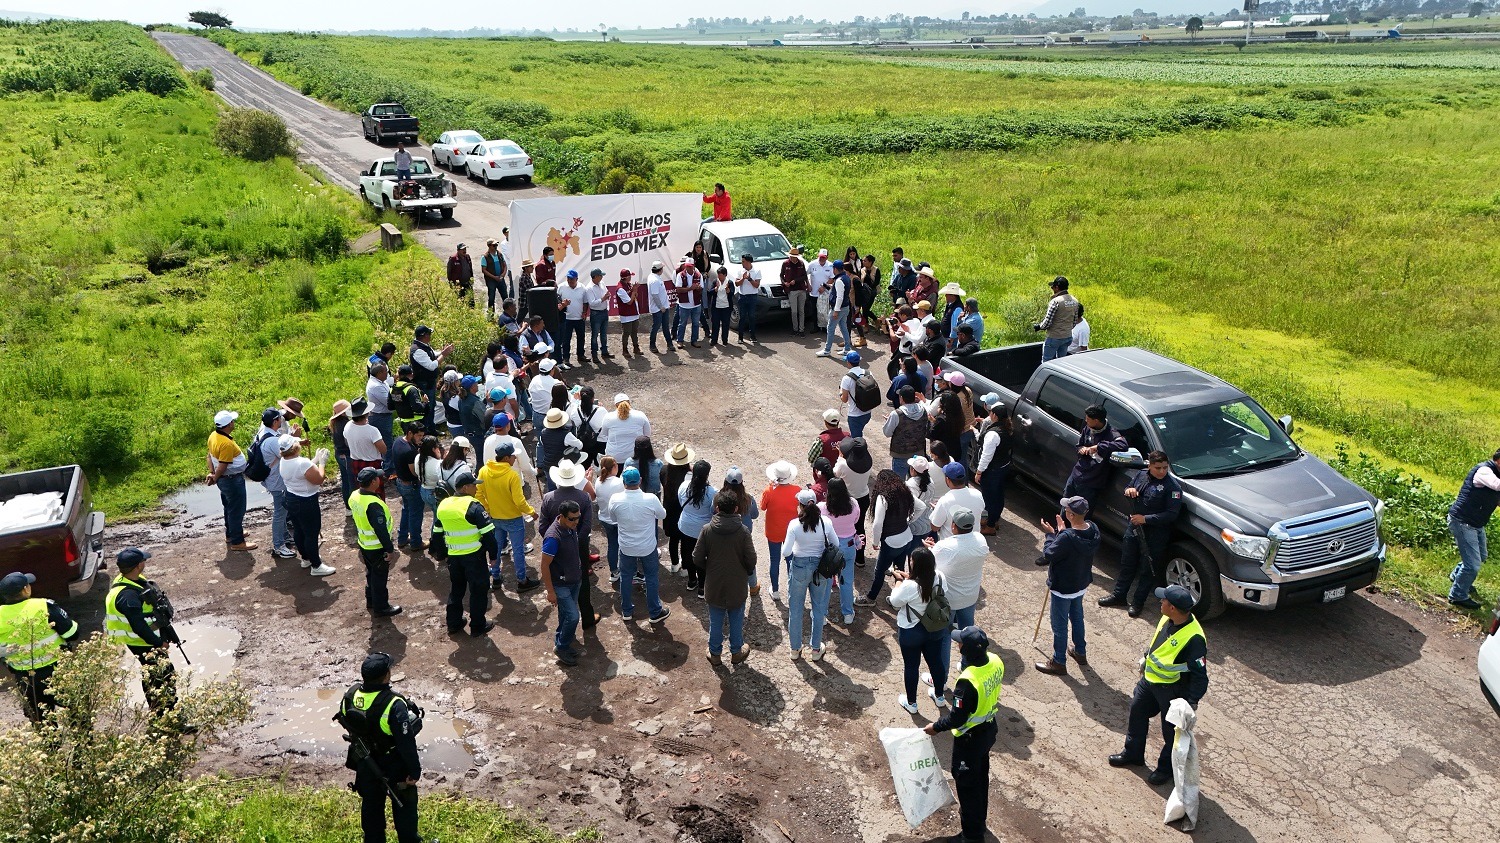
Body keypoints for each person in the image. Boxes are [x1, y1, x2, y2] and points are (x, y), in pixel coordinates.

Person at [1109, 584, 1208, 787]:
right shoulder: (1167, 618)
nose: (1160, 602)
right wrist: (1146, 658)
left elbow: (1200, 675)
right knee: (1137, 713)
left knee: (1171, 734)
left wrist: (1191, 702)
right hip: (1150, 683)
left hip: (1172, 690)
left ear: (1172, 608)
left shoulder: (1194, 638)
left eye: (1164, 600)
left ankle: (1165, 770)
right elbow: (1158, 644)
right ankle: (1133, 754)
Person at [925, 626, 1004, 843]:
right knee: (980, 779)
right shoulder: (996, 661)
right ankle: (980, 822)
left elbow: (957, 718)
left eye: (959, 641)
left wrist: (935, 727)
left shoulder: (967, 681)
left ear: (964, 650)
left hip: (970, 739)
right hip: (988, 730)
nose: (957, 642)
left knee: (968, 786)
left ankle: (972, 836)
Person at [337, 652, 423, 843]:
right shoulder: (394, 704)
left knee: (371, 808)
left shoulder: (350, 695)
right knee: (405, 808)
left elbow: (346, 721)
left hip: (366, 763)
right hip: (394, 765)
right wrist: (414, 772)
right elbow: (406, 743)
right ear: (386, 676)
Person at [1100, 451, 1184, 616]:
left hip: (1156, 534)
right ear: (1149, 466)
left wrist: (1146, 519)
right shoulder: (1142, 475)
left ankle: (1138, 603)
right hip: (1135, 529)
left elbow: (1171, 514)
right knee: (1127, 564)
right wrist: (1129, 490)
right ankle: (1119, 595)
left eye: (1165, 468)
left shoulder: (1172, 487)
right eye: (1157, 468)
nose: (1161, 471)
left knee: (1147, 570)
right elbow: (1129, 488)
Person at [104, 548, 181, 716]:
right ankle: (166, 715)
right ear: (139, 565)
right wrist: (159, 643)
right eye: (143, 561)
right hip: (143, 643)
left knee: (154, 675)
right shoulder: (128, 597)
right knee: (162, 677)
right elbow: (139, 627)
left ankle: (161, 711)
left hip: (144, 641)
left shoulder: (128, 580)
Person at [0, 571, 78, 722]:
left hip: (25, 678)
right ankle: (84, 744)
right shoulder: (44, 606)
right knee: (76, 712)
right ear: (25, 589)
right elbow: (72, 633)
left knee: (41, 721)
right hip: (56, 671)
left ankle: (50, 746)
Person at [1035, 496, 1100, 677]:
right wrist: (1062, 533)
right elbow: (1071, 543)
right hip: (1080, 583)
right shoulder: (1093, 529)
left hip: (1063, 587)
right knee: (1077, 616)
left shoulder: (1067, 537)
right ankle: (1080, 651)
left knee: (1059, 625)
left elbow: (1050, 553)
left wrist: (1050, 535)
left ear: (1070, 514)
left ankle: (1058, 661)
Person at [695, 490, 756, 666]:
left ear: (716, 508)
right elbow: (751, 559)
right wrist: (744, 570)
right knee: (736, 617)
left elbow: (697, 557)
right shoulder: (743, 531)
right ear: (736, 508)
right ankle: (736, 651)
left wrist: (710, 568)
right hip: (737, 582)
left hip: (714, 582)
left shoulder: (707, 530)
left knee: (715, 619)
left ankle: (715, 653)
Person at [435, 471, 499, 636]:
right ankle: (478, 625)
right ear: (465, 487)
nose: (476, 488)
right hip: (474, 558)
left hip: (454, 558)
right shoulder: (474, 506)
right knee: (478, 591)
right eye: (474, 485)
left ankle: (453, 623)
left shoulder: (444, 505)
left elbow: (436, 533)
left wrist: (441, 554)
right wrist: (493, 556)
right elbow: (489, 535)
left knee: (457, 589)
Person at [927, 508, 986, 683]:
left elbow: (933, 566)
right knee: (968, 634)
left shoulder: (945, 546)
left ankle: (941, 679)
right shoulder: (981, 541)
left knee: (944, 639)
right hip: (970, 597)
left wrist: (932, 549)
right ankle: (967, 668)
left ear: (953, 526)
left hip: (948, 601)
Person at [605, 467, 672, 624]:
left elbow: (612, 518)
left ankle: (627, 611)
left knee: (626, 577)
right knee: (651, 577)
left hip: (627, 546)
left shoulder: (615, 499)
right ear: (640, 481)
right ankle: (655, 612)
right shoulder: (650, 498)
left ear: (624, 482)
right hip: (647, 546)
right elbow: (663, 515)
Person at [890, 546, 949, 713]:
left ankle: (912, 704)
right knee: (936, 662)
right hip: (934, 628)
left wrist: (899, 581)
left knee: (911, 666)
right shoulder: (939, 577)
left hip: (911, 631)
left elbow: (895, 602)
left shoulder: (909, 586)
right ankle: (939, 697)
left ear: (915, 564)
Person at [475, 441, 540, 593]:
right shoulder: (512, 475)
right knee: (518, 550)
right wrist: (531, 511)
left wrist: (489, 509)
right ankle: (522, 581)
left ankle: (496, 578)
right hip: (513, 518)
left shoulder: (484, 471)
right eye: (513, 456)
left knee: (496, 547)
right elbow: (519, 501)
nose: (515, 458)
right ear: (505, 458)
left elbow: (478, 494)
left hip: (495, 518)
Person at [783, 490, 835, 661]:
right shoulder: (825, 522)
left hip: (799, 567)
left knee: (796, 609)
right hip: (820, 568)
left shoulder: (794, 525)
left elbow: (786, 551)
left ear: (800, 506)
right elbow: (835, 544)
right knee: (818, 608)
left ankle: (795, 649)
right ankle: (815, 649)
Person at [276, 434, 337, 577]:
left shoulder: (284, 460)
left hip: (292, 498)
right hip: (306, 501)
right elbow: (319, 479)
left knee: (298, 530)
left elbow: (301, 471)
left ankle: (306, 558)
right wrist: (321, 463)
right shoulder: (302, 463)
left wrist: (314, 460)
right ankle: (316, 566)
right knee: (311, 533)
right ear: (295, 447)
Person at [1057, 404, 1127, 527]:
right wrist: (1082, 450)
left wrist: (1098, 447)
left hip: (1091, 483)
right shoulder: (1088, 428)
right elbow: (1079, 445)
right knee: (1066, 508)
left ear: (1096, 420)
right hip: (1076, 476)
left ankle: (1076, 538)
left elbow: (1122, 445)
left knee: (1080, 515)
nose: (1085, 420)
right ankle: (1060, 533)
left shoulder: (1112, 434)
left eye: (1088, 419)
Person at [1447, 447, 1500, 609]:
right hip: (1463, 521)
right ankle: (1457, 595)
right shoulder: (1484, 470)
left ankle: (1459, 577)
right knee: (1473, 565)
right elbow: (1497, 486)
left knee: (1481, 556)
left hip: (1476, 523)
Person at [540, 500, 588, 666]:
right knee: (574, 617)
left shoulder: (570, 528)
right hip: (561, 585)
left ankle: (561, 640)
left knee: (566, 615)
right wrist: (550, 591)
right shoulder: (553, 538)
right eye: (572, 519)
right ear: (561, 516)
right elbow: (544, 565)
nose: (576, 522)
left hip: (574, 580)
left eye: (578, 518)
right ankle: (561, 647)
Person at [350, 468, 402, 617]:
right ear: (373, 482)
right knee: (379, 577)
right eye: (378, 477)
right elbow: (380, 530)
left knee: (371, 573)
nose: (380, 479)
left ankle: (371, 600)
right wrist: (390, 549)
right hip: (376, 547)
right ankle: (381, 607)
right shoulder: (373, 504)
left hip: (364, 544)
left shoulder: (354, 495)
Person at [860, 469, 916, 606]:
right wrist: (908, 520)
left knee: (879, 572)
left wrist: (875, 542)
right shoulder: (905, 492)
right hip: (907, 537)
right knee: (899, 569)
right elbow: (920, 506)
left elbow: (877, 524)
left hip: (891, 542)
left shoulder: (883, 498)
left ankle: (871, 598)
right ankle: (899, 600)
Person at [206, 409, 256, 551]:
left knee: (229, 508)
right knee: (236, 510)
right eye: (232, 421)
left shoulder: (213, 436)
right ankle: (237, 542)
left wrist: (212, 473)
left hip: (224, 479)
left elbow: (209, 456)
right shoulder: (226, 443)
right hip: (231, 480)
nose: (234, 423)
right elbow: (223, 465)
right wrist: (215, 476)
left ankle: (232, 534)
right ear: (229, 424)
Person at [252, 408, 295, 559]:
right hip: (276, 481)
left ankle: (284, 537)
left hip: (271, 478)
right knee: (280, 512)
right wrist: (295, 439)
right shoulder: (272, 441)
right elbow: (289, 455)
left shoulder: (264, 434)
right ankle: (278, 545)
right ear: (276, 421)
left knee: (282, 511)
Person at [820, 478, 861, 626]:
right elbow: (856, 520)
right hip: (849, 546)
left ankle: (822, 615)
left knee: (825, 581)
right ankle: (848, 613)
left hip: (830, 549)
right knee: (847, 581)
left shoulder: (823, 508)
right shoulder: (854, 504)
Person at [760, 461, 801, 598]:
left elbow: (763, 507)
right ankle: (792, 589)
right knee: (790, 559)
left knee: (774, 560)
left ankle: (775, 590)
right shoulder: (797, 490)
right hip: (791, 531)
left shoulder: (769, 491)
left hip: (773, 530)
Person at [973, 399, 1014, 536]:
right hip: (1004, 466)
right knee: (998, 495)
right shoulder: (1007, 428)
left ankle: (990, 525)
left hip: (993, 470)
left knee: (990, 497)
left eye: (990, 412)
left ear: (995, 415)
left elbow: (986, 455)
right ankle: (994, 520)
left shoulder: (993, 434)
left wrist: (979, 472)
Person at [677, 460, 717, 597]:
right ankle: (702, 586)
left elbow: (680, 501)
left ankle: (691, 580)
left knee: (687, 553)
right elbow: (713, 510)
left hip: (685, 526)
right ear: (707, 475)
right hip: (702, 529)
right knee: (701, 556)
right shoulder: (712, 492)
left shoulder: (683, 486)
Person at [835, 436, 873, 569]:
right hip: (863, 498)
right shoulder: (868, 463)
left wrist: (840, 457)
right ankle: (860, 557)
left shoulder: (843, 465)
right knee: (860, 526)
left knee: (846, 528)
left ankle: (845, 556)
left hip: (848, 500)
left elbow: (836, 474)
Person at [389, 421, 427, 551]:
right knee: (416, 514)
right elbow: (414, 472)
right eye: (419, 436)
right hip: (412, 485)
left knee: (406, 510)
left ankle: (402, 538)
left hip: (400, 482)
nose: (421, 438)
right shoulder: (410, 451)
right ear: (410, 433)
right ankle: (416, 542)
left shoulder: (398, 441)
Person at [408, 326, 453, 429]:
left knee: (432, 406)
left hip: (429, 382)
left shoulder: (423, 346)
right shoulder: (417, 350)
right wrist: (444, 355)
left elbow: (432, 354)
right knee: (427, 407)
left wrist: (442, 352)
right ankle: (426, 430)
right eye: (428, 334)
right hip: (424, 383)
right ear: (424, 336)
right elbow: (431, 366)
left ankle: (432, 429)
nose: (430, 336)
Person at [884, 386, 930, 478]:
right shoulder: (923, 410)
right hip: (918, 453)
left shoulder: (896, 414)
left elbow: (887, 433)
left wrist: (888, 421)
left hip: (901, 454)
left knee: (899, 483)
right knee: (916, 482)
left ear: (901, 398)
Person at [346, 399, 388, 496]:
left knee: (362, 492)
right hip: (372, 464)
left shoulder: (347, 426)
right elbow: (383, 449)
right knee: (377, 493)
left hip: (356, 462)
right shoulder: (372, 430)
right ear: (366, 413)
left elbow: (347, 442)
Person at [1033, 275, 1080, 362]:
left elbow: (1048, 321)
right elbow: (1074, 322)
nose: (1052, 289)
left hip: (1054, 337)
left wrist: (1039, 327)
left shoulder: (1055, 301)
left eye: (1053, 287)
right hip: (1067, 336)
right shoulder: (1075, 301)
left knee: (1046, 361)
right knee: (1061, 362)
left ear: (1057, 287)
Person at [595, 456, 625, 583]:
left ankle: (614, 571)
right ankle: (628, 569)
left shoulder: (598, 481)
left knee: (612, 544)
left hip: (604, 518)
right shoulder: (618, 482)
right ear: (614, 467)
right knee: (623, 544)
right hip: (617, 519)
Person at [601, 393, 651, 464]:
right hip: (635, 456)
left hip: (615, 458)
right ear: (629, 403)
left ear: (615, 405)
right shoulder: (640, 415)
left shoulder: (608, 417)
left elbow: (604, 433)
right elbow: (647, 435)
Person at [817, 260, 853, 357]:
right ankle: (847, 348)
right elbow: (838, 289)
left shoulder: (839, 280)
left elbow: (839, 297)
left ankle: (827, 350)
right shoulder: (845, 278)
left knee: (830, 328)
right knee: (843, 327)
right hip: (845, 307)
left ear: (835, 269)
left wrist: (836, 311)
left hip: (839, 309)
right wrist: (828, 286)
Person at [837, 351, 875, 439]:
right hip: (867, 412)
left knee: (857, 440)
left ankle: (860, 452)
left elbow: (844, 399)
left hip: (855, 415)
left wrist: (840, 393)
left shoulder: (847, 378)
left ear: (848, 363)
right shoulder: (868, 373)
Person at [558, 269, 589, 367]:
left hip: (579, 318)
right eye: (568, 278)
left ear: (577, 279)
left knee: (581, 338)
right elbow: (558, 301)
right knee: (566, 339)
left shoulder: (582, 288)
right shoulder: (561, 287)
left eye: (572, 279)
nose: (570, 281)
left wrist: (584, 312)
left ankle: (581, 355)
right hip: (566, 318)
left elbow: (585, 302)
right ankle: (566, 358)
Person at [672, 259, 704, 348]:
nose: (688, 268)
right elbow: (678, 289)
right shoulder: (680, 275)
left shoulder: (698, 275)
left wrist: (697, 288)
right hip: (684, 305)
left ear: (693, 266)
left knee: (696, 323)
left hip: (696, 304)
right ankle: (680, 340)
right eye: (687, 266)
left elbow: (701, 289)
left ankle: (694, 340)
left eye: (690, 266)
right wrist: (690, 288)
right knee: (682, 323)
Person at [584, 268, 613, 364]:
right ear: (595, 277)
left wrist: (607, 295)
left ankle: (604, 352)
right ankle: (594, 354)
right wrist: (603, 299)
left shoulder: (602, 283)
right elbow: (592, 303)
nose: (602, 277)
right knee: (595, 335)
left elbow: (606, 292)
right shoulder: (589, 288)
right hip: (596, 313)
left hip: (604, 312)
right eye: (600, 275)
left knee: (604, 334)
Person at [614, 269, 644, 358]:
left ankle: (636, 348)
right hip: (626, 315)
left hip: (634, 312)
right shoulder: (620, 289)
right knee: (626, 332)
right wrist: (634, 291)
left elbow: (635, 296)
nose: (631, 277)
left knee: (634, 332)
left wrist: (635, 290)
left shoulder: (628, 284)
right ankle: (625, 350)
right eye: (630, 276)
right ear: (626, 277)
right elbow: (629, 302)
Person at [782, 246, 810, 337]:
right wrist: (785, 283)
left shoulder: (801, 264)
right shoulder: (785, 264)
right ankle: (795, 329)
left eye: (794, 256)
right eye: (791, 256)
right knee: (794, 311)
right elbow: (781, 275)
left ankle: (801, 330)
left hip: (801, 289)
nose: (793, 258)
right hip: (792, 290)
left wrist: (796, 281)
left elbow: (804, 276)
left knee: (801, 310)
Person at [734, 253, 761, 344]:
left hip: (752, 297)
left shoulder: (757, 271)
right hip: (742, 296)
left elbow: (756, 285)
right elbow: (737, 283)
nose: (742, 263)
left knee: (752, 317)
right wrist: (743, 278)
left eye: (743, 261)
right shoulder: (741, 271)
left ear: (748, 262)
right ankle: (740, 337)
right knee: (742, 317)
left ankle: (752, 336)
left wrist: (749, 279)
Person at [855, 254, 881, 347]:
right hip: (864, 291)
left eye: (865, 261)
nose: (863, 262)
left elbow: (877, 281)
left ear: (870, 262)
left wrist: (870, 289)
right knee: (864, 308)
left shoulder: (876, 270)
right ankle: (875, 320)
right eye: (863, 260)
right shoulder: (862, 270)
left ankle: (866, 324)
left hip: (872, 291)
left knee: (866, 308)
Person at [808, 248, 834, 331]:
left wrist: (824, 287)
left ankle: (825, 327)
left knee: (825, 310)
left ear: (827, 257)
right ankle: (815, 326)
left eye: (823, 257)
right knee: (814, 310)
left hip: (825, 293)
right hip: (814, 292)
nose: (821, 258)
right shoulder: (812, 264)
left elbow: (832, 278)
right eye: (820, 257)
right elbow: (805, 275)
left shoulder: (830, 265)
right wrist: (808, 285)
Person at [707, 266, 734, 346]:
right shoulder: (716, 281)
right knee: (715, 324)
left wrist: (728, 291)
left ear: (725, 275)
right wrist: (715, 289)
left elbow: (732, 292)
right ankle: (714, 340)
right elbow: (710, 292)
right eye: (718, 275)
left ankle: (724, 340)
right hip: (716, 307)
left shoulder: (729, 282)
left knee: (725, 324)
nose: (719, 276)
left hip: (726, 307)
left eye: (721, 275)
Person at [481, 238, 509, 315]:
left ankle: (508, 313)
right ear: (489, 246)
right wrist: (494, 277)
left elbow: (504, 265)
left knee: (505, 297)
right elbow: (484, 270)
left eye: (496, 245)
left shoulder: (499, 254)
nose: (496, 246)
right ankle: (491, 314)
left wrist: (503, 274)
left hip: (500, 278)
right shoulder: (485, 257)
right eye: (494, 245)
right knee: (491, 298)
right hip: (491, 280)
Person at [447, 243, 475, 307]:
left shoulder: (467, 257)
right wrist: (451, 283)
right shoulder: (453, 259)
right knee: (460, 302)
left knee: (471, 302)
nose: (464, 251)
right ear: (458, 250)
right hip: (459, 284)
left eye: (465, 249)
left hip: (468, 283)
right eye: (463, 249)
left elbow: (470, 268)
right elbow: (449, 272)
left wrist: (471, 278)